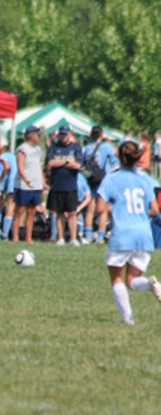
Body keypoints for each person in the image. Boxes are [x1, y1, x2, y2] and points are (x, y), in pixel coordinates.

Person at [96, 138, 160, 325]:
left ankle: (128, 319)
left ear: (119, 156)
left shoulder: (112, 178)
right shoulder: (144, 179)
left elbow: (100, 208)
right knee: (132, 280)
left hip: (123, 234)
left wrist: (117, 210)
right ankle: (151, 284)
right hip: (144, 235)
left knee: (117, 279)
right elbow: (155, 210)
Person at [46, 124, 83, 246]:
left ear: (69, 134)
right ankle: (60, 238)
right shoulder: (54, 146)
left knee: (72, 213)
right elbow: (51, 163)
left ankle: (73, 239)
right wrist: (67, 161)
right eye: (61, 134)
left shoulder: (76, 147)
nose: (63, 137)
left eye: (65, 134)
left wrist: (60, 162)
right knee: (59, 213)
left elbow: (77, 165)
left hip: (70, 186)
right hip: (57, 185)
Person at [82, 125, 119, 244]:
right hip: (104, 179)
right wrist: (109, 142)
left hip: (91, 180)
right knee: (103, 210)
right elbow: (116, 157)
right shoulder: (106, 147)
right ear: (101, 135)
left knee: (90, 210)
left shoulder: (87, 148)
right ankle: (100, 237)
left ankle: (88, 236)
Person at [12, 125, 46, 244]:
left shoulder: (37, 149)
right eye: (37, 134)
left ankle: (28, 238)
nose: (39, 136)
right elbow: (20, 166)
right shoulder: (22, 149)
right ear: (31, 135)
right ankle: (15, 236)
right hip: (24, 185)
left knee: (31, 212)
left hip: (35, 185)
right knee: (20, 211)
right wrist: (26, 180)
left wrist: (43, 182)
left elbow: (39, 167)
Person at [0, 143, 17, 239]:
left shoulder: (3, 155)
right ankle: (6, 233)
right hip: (15, 182)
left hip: (3, 183)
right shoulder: (14, 156)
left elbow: (6, 167)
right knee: (11, 206)